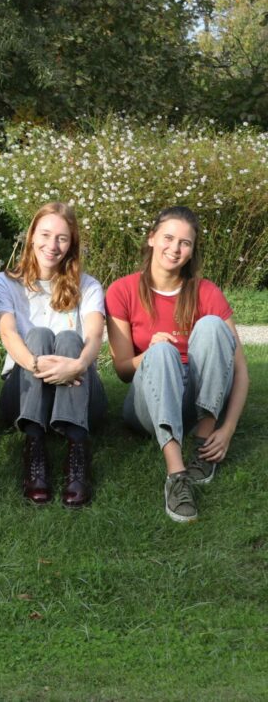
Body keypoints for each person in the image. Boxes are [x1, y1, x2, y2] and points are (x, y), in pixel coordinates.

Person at [106, 206, 248, 523]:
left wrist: (228, 428)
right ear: (152, 238)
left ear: (192, 251)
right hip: (148, 402)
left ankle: (203, 443)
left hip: (196, 401)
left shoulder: (206, 291)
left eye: (185, 243)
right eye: (168, 238)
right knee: (162, 353)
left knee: (213, 326)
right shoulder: (122, 289)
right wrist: (152, 351)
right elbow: (123, 371)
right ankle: (176, 473)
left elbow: (239, 369)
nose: (175, 248)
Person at [0, 202, 107, 507]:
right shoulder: (5, 282)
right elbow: (8, 333)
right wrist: (35, 364)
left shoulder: (89, 285)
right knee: (38, 336)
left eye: (62, 238)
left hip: (80, 390)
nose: (52, 245)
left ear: (71, 245)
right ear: (31, 236)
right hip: (23, 394)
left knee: (71, 338)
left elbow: (95, 335)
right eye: (45, 235)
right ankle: (34, 448)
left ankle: (77, 454)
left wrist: (79, 365)